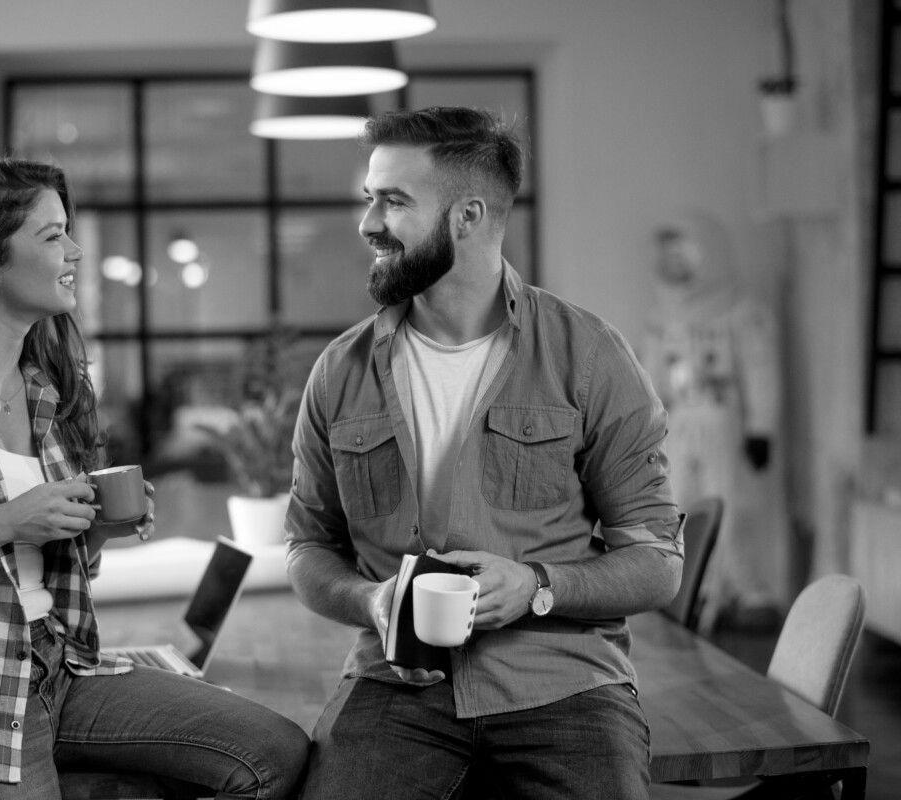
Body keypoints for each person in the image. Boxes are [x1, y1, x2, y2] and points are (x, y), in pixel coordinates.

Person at [0, 156, 308, 800]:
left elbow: (40, 571)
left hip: (59, 667)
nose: (75, 249)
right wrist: (11, 519)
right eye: (53, 236)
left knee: (275, 754)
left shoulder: (46, 391)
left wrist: (95, 531)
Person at [285, 107, 683, 799]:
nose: (368, 222)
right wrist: (369, 600)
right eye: (368, 198)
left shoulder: (588, 355)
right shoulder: (339, 371)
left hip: (563, 684)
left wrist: (536, 587)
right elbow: (306, 547)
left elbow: (656, 562)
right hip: (394, 689)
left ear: (467, 217)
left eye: (394, 201)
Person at [642, 210, 786, 632]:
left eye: (685, 254)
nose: (677, 266)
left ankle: (744, 588)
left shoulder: (740, 312)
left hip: (726, 421)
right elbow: (649, 376)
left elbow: (760, 370)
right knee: (680, 502)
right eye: (670, 257)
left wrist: (762, 426)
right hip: (680, 423)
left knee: (732, 502)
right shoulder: (661, 316)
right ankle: (694, 591)